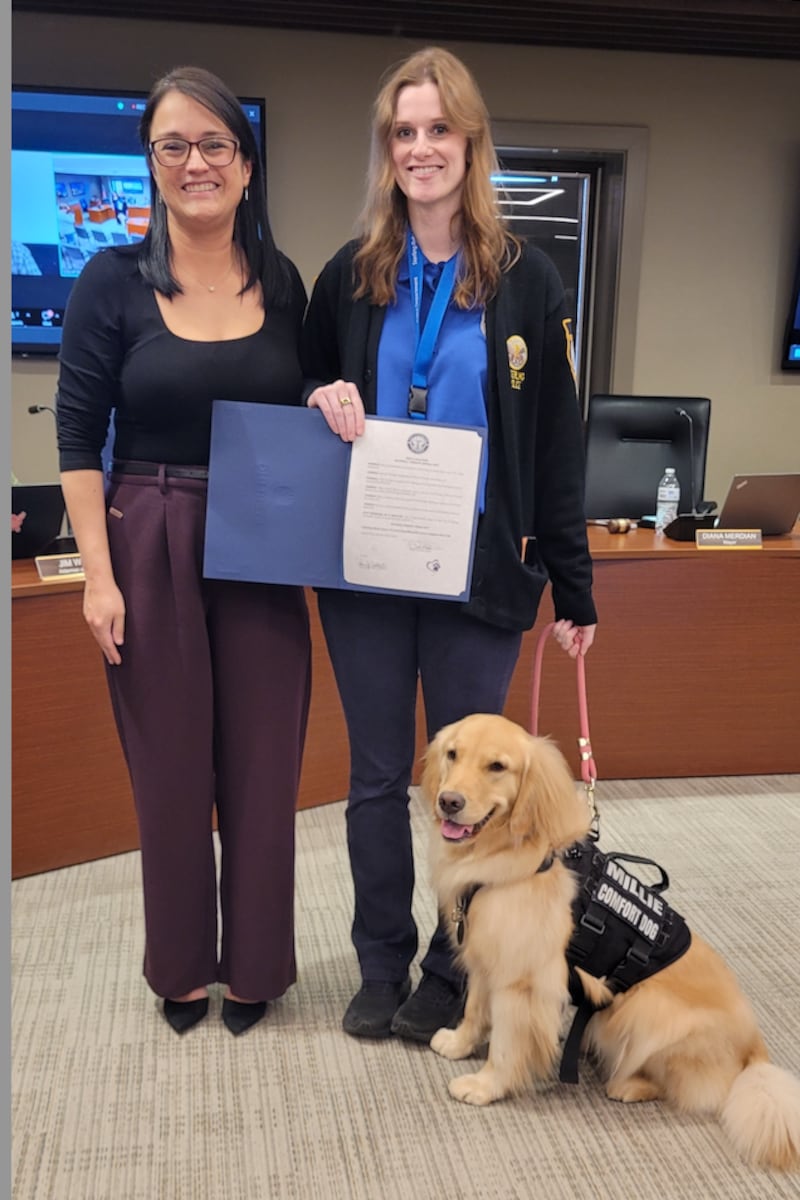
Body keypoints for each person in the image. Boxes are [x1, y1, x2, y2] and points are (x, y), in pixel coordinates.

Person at [301, 47, 597, 1044]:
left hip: (478, 570)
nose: (419, 148)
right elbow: (301, 390)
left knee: (465, 783)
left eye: (437, 129)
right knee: (382, 775)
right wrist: (320, 395)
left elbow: (556, 438)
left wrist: (575, 586)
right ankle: (381, 960)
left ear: (469, 143)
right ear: (386, 151)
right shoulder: (349, 275)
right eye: (402, 132)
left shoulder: (526, 279)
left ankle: (444, 963)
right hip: (370, 565)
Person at [56, 66, 311, 1037]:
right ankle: (179, 968)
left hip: (261, 536)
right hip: (149, 529)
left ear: (246, 168)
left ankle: (253, 968)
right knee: (168, 769)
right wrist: (98, 578)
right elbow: (78, 435)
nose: (194, 162)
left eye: (214, 145)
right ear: (151, 166)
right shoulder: (109, 282)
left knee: (260, 765)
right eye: (173, 146)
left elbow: (317, 402)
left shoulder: (282, 282)